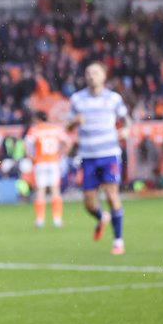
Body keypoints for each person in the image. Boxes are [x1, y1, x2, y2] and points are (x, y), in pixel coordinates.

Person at [67, 62, 132, 255]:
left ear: (104, 76)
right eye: (88, 72)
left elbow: (126, 119)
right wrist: (74, 122)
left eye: (95, 72)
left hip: (109, 154)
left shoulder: (113, 99)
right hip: (88, 156)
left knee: (112, 195)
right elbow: (68, 126)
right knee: (88, 202)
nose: (91, 76)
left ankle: (118, 240)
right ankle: (101, 217)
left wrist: (127, 129)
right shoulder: (77, 99)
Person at [24, 111, 70, 228]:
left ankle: (40, 220)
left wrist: (31, 158)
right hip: (53, 162)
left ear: (38, 119)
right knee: (55, 190)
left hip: (40, 162)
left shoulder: (35, 130)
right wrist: (60, 154)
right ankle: (57, 219)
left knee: (40, 191)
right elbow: (68, 142)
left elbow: (26, 144)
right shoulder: (55, 129)